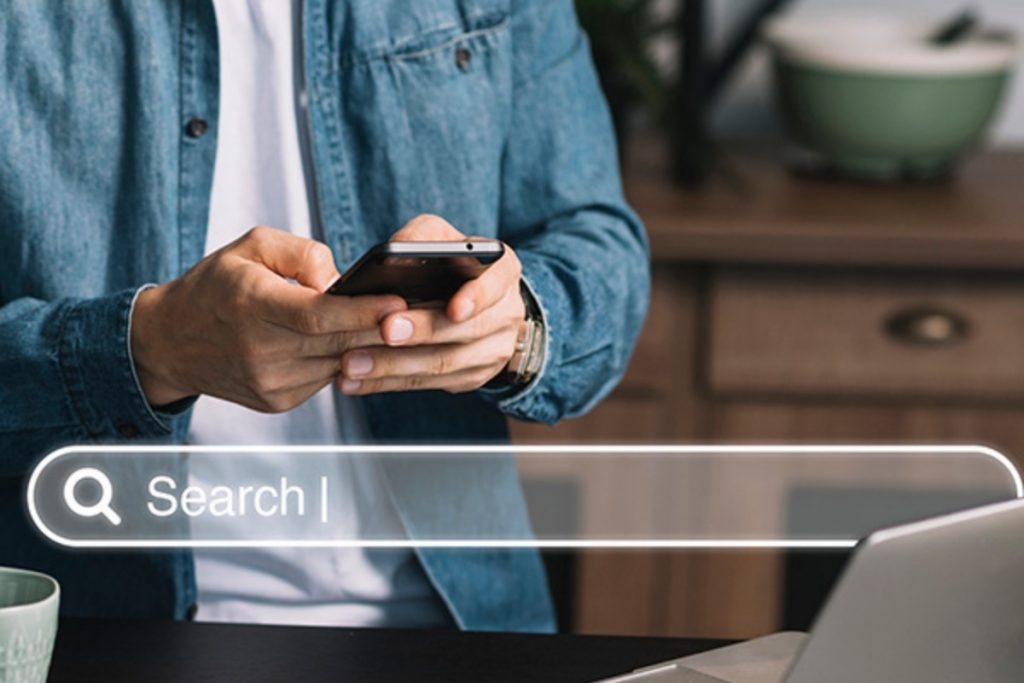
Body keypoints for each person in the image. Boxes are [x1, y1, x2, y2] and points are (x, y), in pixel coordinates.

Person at [0, 0, 649, 632]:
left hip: (458, 625)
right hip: (102, 633)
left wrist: (518, 325)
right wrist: (147, 349)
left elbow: (599, 246)